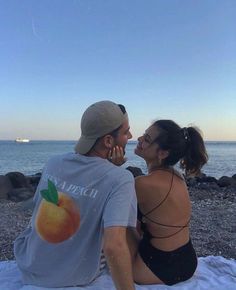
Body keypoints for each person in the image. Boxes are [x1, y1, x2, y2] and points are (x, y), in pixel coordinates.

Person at [14, 100, 137, 290]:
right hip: (69, 277)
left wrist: (111, 169)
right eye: (126, 131)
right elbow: (114, 246)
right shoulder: (121, 178)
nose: (130, 135)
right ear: (108, 141)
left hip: (30, 262)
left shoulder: (54, 162)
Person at [127, 119, 208, 286]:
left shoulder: (142, 184)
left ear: (163, 153)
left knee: (115, 224)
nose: (139, 139)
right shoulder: (177, 176)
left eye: (147, 139)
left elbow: (106, 202)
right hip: (188, 261)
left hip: (159, 266)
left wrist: (111, 167)